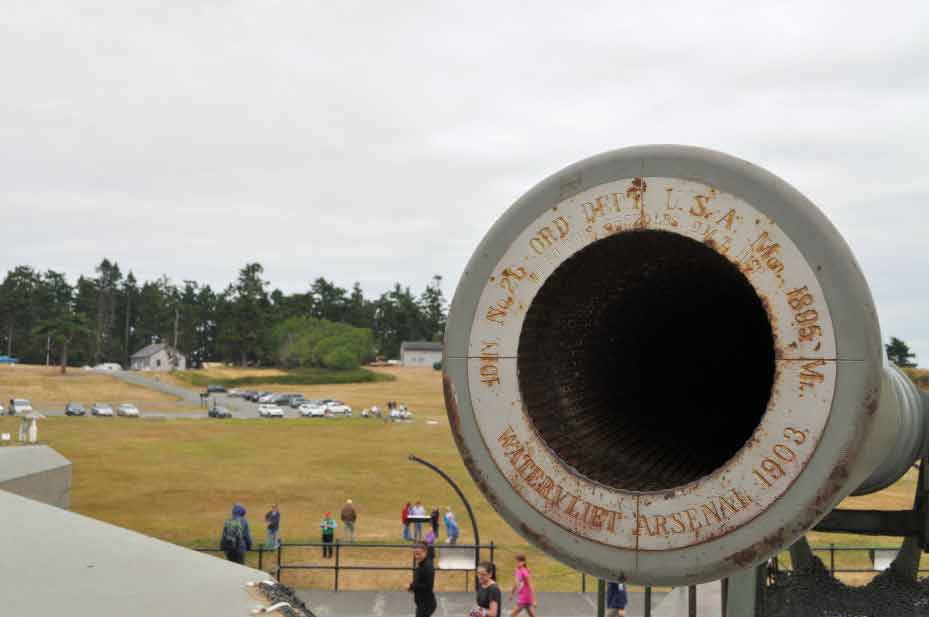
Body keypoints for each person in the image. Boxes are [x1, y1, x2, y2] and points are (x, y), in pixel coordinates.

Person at [408, 542, 436, 617]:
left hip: (426, 604)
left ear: (425, 552)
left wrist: (412, 586)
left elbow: (428, 586)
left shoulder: (427, 567)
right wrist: (428, 539)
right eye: (415, 553)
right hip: (422, 603)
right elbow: (430, 549)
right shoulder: (425, 560)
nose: (417, 556)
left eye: (419, 554)